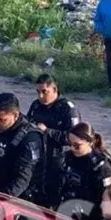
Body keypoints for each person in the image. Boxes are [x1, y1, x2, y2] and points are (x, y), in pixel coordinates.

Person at [27, 74, 81, 207]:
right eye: (38, 92)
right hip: (39, 160)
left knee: (57, 199)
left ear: (55, 90)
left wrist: (48, 131)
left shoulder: (67, 108)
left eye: (45, 92)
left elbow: (74, 138)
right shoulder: (36, 106)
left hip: (60, 161)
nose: (40, 96)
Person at [57, 122, 111, 220]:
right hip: (66, 213)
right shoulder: (67, 158)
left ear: (90, 142)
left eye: (77, 146)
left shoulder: (101, 167)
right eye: (69, 144)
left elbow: (105, 201)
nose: (72, 148)